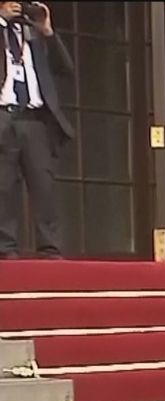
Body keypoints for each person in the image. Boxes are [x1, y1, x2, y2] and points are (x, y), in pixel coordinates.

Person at [0, 0, 70, 260]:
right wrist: (1, 21)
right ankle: (5, 249)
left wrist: (47, 31)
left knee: (44, 186)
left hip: (35, 120)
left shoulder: (34, 36)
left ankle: (50, 249)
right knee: (3, 186)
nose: (17, 8)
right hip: (4, 117)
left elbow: (66, 69)